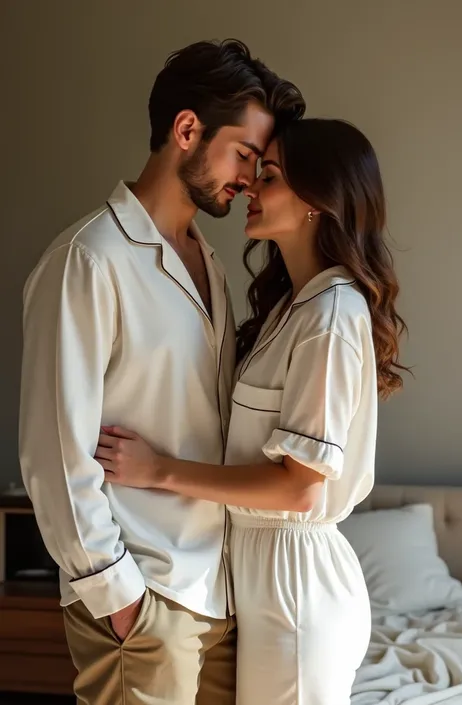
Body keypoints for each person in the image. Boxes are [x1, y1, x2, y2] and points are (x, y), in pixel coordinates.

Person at [19, 39, 305, 705]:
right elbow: (54, 452)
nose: (248, 178)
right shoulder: (89, 262)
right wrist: (120, 599)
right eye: (242, 154)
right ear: (186, 130)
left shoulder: (214, 267)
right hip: (144, 602)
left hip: (218, 596)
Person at [95, 117, 410, 705]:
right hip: (258, 583)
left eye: (268, 175)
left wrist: (157, 469)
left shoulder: (332, 315)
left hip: (297, 593)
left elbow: (300, 491)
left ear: (320, 199)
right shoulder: (291, 308)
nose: (249, 188)